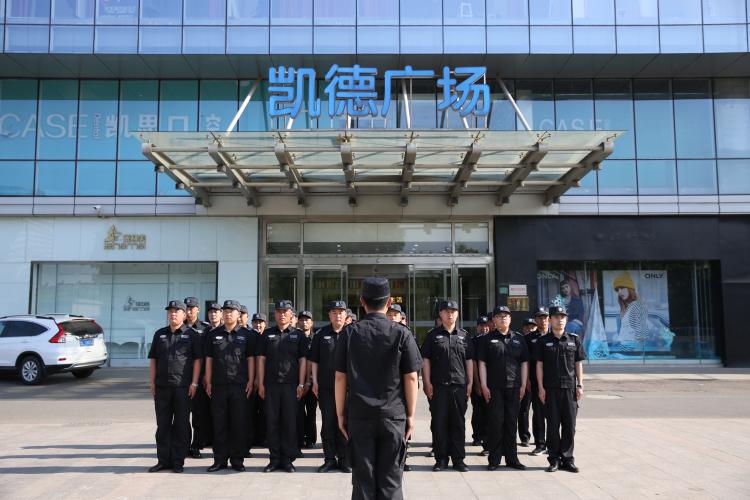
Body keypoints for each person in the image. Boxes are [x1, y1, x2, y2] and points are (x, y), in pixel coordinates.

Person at [335, 277, 422, 500]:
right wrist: (410, 415)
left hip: (360, 415)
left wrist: (340, 414)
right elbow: (412, 377)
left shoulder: (349, 333)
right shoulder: (402, 333)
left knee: (363, 481)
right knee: (391, 481)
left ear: (362, 301)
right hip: (393, 415)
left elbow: (340, 378)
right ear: (389, 301)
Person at [147, 300, 202, 473]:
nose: (173, 314)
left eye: (176, 311)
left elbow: (197, 360)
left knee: (181, 425)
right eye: (170, 311)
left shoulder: (192, 334)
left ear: (184, 315)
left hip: (183, 388)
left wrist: (194, 383)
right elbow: (153, 359)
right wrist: (152, 382)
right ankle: (163, 460)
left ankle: (178, 460)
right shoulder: (159, 334)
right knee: (162, 425)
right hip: (162, 387)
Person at [421, 299, 472, 472]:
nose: (450, 314)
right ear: (440, 314)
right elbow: (426, 360)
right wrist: (426, 382)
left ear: (457, 314)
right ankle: (441, 459)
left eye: (453, 311)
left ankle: (458, 459)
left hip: (459, 386)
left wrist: (470, 382)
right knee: (439, 423)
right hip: (439, 387)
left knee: (458, 423)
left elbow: (469, 360)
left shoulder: (464, 335)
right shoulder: (432, 336)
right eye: (446, 311)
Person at [257, 300, 308, 473]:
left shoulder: (298, 335)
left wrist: (301, 383)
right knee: (272, 422)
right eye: (279, 311)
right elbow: (261, 360)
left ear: (291, 314)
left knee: (289, 423)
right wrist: (260, 383)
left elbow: (303, 361)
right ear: (275, 314)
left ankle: (287, 459)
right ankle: (274, 459)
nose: (282, 314)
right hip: (271, 386)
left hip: (291, 386)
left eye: (285, 311)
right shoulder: (267, 334)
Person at [204, 300, 255, 472]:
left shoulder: (247, 335)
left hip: (240, 386)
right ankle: (219, 460)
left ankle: (237, 460)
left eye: (231, 311)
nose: (227, 314)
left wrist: (251, 380)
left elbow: (251, 360)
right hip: (218, 386)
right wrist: (208, 381)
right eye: (225, 311)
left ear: (238, 314)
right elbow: (209, 360)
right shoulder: (213, 334)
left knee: (238, 424)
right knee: (219, 424)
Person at [535, 305, 586, 473]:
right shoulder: (543, 341)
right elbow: (539, 366)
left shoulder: (574, 339)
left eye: (563, 317)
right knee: (552, 426)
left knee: (570, 426)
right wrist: (540, 387)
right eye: (556, 317)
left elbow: (578, 364)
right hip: (550, 389)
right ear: (550, 320)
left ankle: (568, 459)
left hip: (570, 389)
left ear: (566, 319)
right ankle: (554, 459)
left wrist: (580, 384)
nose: (560, 320)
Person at [477, 305, 528, 471]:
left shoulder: (519, 339)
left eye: (506, 315)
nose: (503, 318)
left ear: (510, 319)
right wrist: (484, 385)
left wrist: (523, 385)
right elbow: (482, 363)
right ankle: (494, 459)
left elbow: (524, 363)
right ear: (494, 320)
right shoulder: (487, 339)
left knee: (511, 423)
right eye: (499, 316)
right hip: (494, 388)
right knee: (496, 423)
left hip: (514, 387)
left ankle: (512, 458)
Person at [310, 300, 351, 473]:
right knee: (328, 423)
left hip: (348, 389)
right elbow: (315, 360)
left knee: (345, 423)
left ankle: (345, 459)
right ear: (329, 315)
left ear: (346, 315)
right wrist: (315, 382)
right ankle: (329, 459)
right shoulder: (321, 334)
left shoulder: (352, 333)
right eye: (334, 312)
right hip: (326, 387)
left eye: (340, 312)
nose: (337, 315)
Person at [187, 299, 220, 459]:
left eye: (192, 308)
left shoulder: (205, 329)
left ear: (198, 310)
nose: (189, 311)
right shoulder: (179, 327)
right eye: (187, 308)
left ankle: (197, 445)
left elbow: (208, 355)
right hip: (182, 376)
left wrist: (207, 376)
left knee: (199, 414)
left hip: (200, 377)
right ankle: (183, 445)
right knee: (182, 415)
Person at [523, 307, 549, 456]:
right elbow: (525, 361)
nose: (543, 320)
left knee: (553, 414)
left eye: (545, 317)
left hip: (553, 381)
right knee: (538, 413)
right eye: (540, 318)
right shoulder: (529, 338)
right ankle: (540, 444)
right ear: (535, 320)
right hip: (534, 381)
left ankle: (552, 443)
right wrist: (526, 379)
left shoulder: (554, 335)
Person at [469, 315, 491, 453]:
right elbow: (473, 362)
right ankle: (477, 436)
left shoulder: (492, 339)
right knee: (478, 411)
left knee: (489, 412)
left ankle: (488, 438)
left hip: (492, 382)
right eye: (481, 325)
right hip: (477, 381)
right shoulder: (473, 341)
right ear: (477, 327)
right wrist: (477, 383)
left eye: (486, 325)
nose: (484, 328)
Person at [297, 310, 317, 451]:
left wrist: (310, 381)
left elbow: (316, 360)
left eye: (307, 320)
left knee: (311, 411)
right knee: (298, 412)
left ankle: (310, 439)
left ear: (311, 323)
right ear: (298, 322)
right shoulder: (294, 337)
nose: (304, 322)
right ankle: (299, 438)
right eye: (302, 320)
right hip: (298, 382)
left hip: (312, 382)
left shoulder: (316, 338)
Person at [612, 271, 649, 351]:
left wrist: (637, 353)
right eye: (618, 289)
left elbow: (642, 332)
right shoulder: (629, 307)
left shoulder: (637, 305)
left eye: (622, 288)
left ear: (630, 288)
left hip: (632, 350)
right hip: (625, 348)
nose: (619, 292)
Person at [517, 317, 539, 448]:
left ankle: (539, 439)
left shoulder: (540, 339)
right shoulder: (521, 340)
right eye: (528, 327)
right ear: (523, 328)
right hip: (525, 380)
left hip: (538, 381)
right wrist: (525, 380)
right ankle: (524, 437)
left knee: (539, 411)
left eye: (533, 327)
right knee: (523, 410)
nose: (530, 329)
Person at [249, 312, 268, 449]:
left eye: (260, 322)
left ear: (265, 324)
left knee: (265, 411)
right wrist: (254, 378)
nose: (258, 325)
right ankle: (252, 439)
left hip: (266, 380)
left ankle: (263, 438)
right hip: (250, 380)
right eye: (255, 322)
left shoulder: (267, 337)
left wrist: (259, 379)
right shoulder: (249, 336)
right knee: (250, 411)